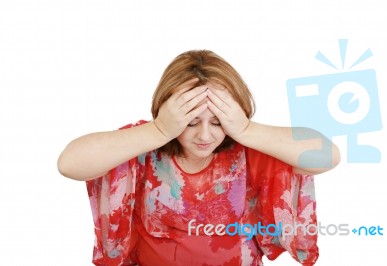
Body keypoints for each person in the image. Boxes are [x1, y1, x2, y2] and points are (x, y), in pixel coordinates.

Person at [57, 50, 340, 266]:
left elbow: (328, 156)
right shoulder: (145, 142)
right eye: (191, 122)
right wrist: (158, 130)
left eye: (218, 122)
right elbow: (69, 164)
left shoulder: (248, 146)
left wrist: (245, 130)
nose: (204, 135)